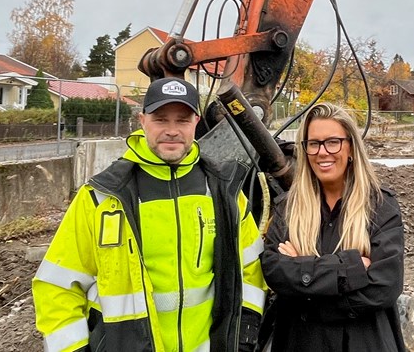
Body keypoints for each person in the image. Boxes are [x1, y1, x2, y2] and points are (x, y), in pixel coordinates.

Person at [33, 77, 266, 352]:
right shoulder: (103, 197)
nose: (172, 131)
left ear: (196, 122)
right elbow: (57, 286)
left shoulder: (224, 191)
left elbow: (251, 269)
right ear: (142, 121)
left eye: (182, 120)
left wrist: (244, 332)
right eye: (160, 119)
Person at [260, 102, 405, 351]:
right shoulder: (288, 208)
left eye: (333, 142)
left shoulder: (380, 207)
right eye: (314, 143)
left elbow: (384, 286)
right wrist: (351, 267)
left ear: (351, 148)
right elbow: (274, 271)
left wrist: (303, 277)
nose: (323, 152)